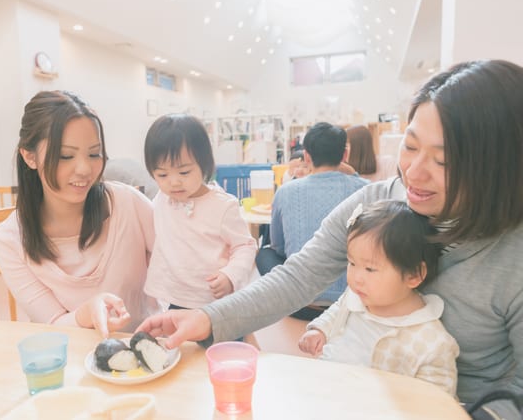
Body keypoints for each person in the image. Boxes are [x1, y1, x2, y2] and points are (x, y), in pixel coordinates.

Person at [137, 59, 523, 418]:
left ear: (499, 168)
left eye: (444, 161)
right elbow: (300, 274)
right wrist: (207, 317)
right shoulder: (380, 202)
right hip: (350, 395)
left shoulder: (512, 252)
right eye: (409, 146)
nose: (414, 173)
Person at [0, 90, 160, 336]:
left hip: (153, 356)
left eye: (94, 154)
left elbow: (179, 258)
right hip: (77, 364)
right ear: (29, 157)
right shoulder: (9, 241)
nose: (84, 169)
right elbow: (52, 323)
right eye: (65, 156)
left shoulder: (128, 203)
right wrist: (85, 314)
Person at [298, 200, 459, 396]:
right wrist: (320, 330)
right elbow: (338, 310)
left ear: (414, 274)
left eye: (370, 269)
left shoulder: (431, 344)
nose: (356, 277)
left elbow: (438, 405)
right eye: (352, 263)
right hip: (330, 390)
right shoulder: (360, 294)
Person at [143, 113, 257, 311]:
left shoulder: (222, 206)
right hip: (174, 297)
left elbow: (245, 246)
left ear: (203, 164)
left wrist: (230, 275)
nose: (174, 182)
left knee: (221, 341)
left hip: (214, 300)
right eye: (162, 174)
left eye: (184, 172)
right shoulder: (161, 199)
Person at [256, 122, 368, 320]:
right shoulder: (365, 189)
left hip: (299, 304)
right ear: (345, 155)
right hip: (351, 303)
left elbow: (279, 248)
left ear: (306, 156)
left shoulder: (286, 191)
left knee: (265, 252)